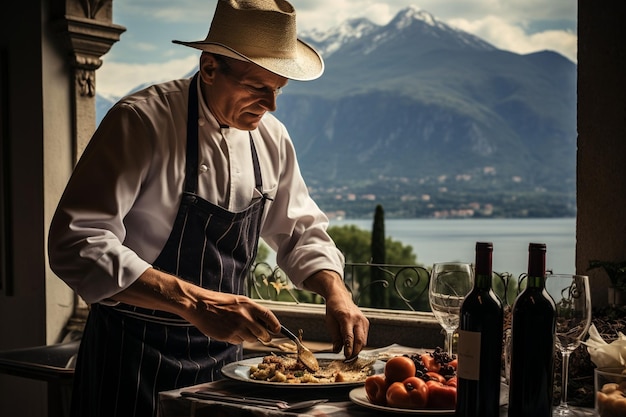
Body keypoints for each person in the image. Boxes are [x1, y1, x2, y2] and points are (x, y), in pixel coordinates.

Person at [48, 0, 369, 415]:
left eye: (279, 89)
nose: (271, 104)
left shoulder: (272, 138)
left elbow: (300, 229)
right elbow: (77, 243)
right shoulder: (141, 122)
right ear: (210, 67)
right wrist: (197, 304)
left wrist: (336, 291)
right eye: (258, 87)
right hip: (131, 359)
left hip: (226, 370)